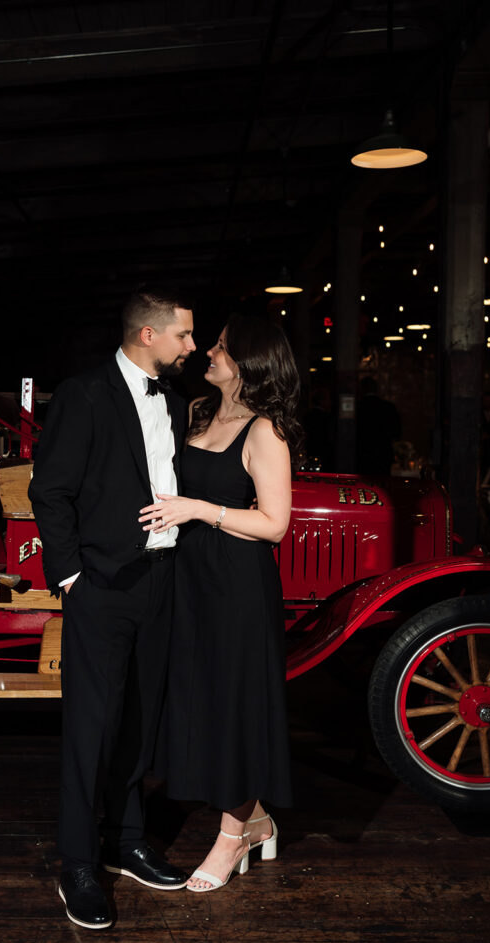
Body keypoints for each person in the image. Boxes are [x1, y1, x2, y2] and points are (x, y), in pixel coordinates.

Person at [29, 287, 196, 929]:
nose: (191, 345)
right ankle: (77, 862)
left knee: (140, 722)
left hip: (162, 577)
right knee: (91, 728)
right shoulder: (85, 394)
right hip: (102, 584)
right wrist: (71, 576)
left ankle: (126, 842)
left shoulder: (173, 402)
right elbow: (51, 490)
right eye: (183, 334)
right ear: (148, 334)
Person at [140, 313, 302, 892]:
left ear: (248, 363)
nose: (209, 351)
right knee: (197, 700)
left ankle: (232, 837)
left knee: (236, 705)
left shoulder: (265, 431)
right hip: (188, 578)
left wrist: (198, 510)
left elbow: (275, 524)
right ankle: (256, 821)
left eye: (223, 347)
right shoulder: (198, 411)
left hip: (237, 586)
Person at [356, 376, 401, 476]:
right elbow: (396, 432)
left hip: (362, 455)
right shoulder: (388, 407)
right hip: (383, 455)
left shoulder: (358, 407)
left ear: (362, 389)